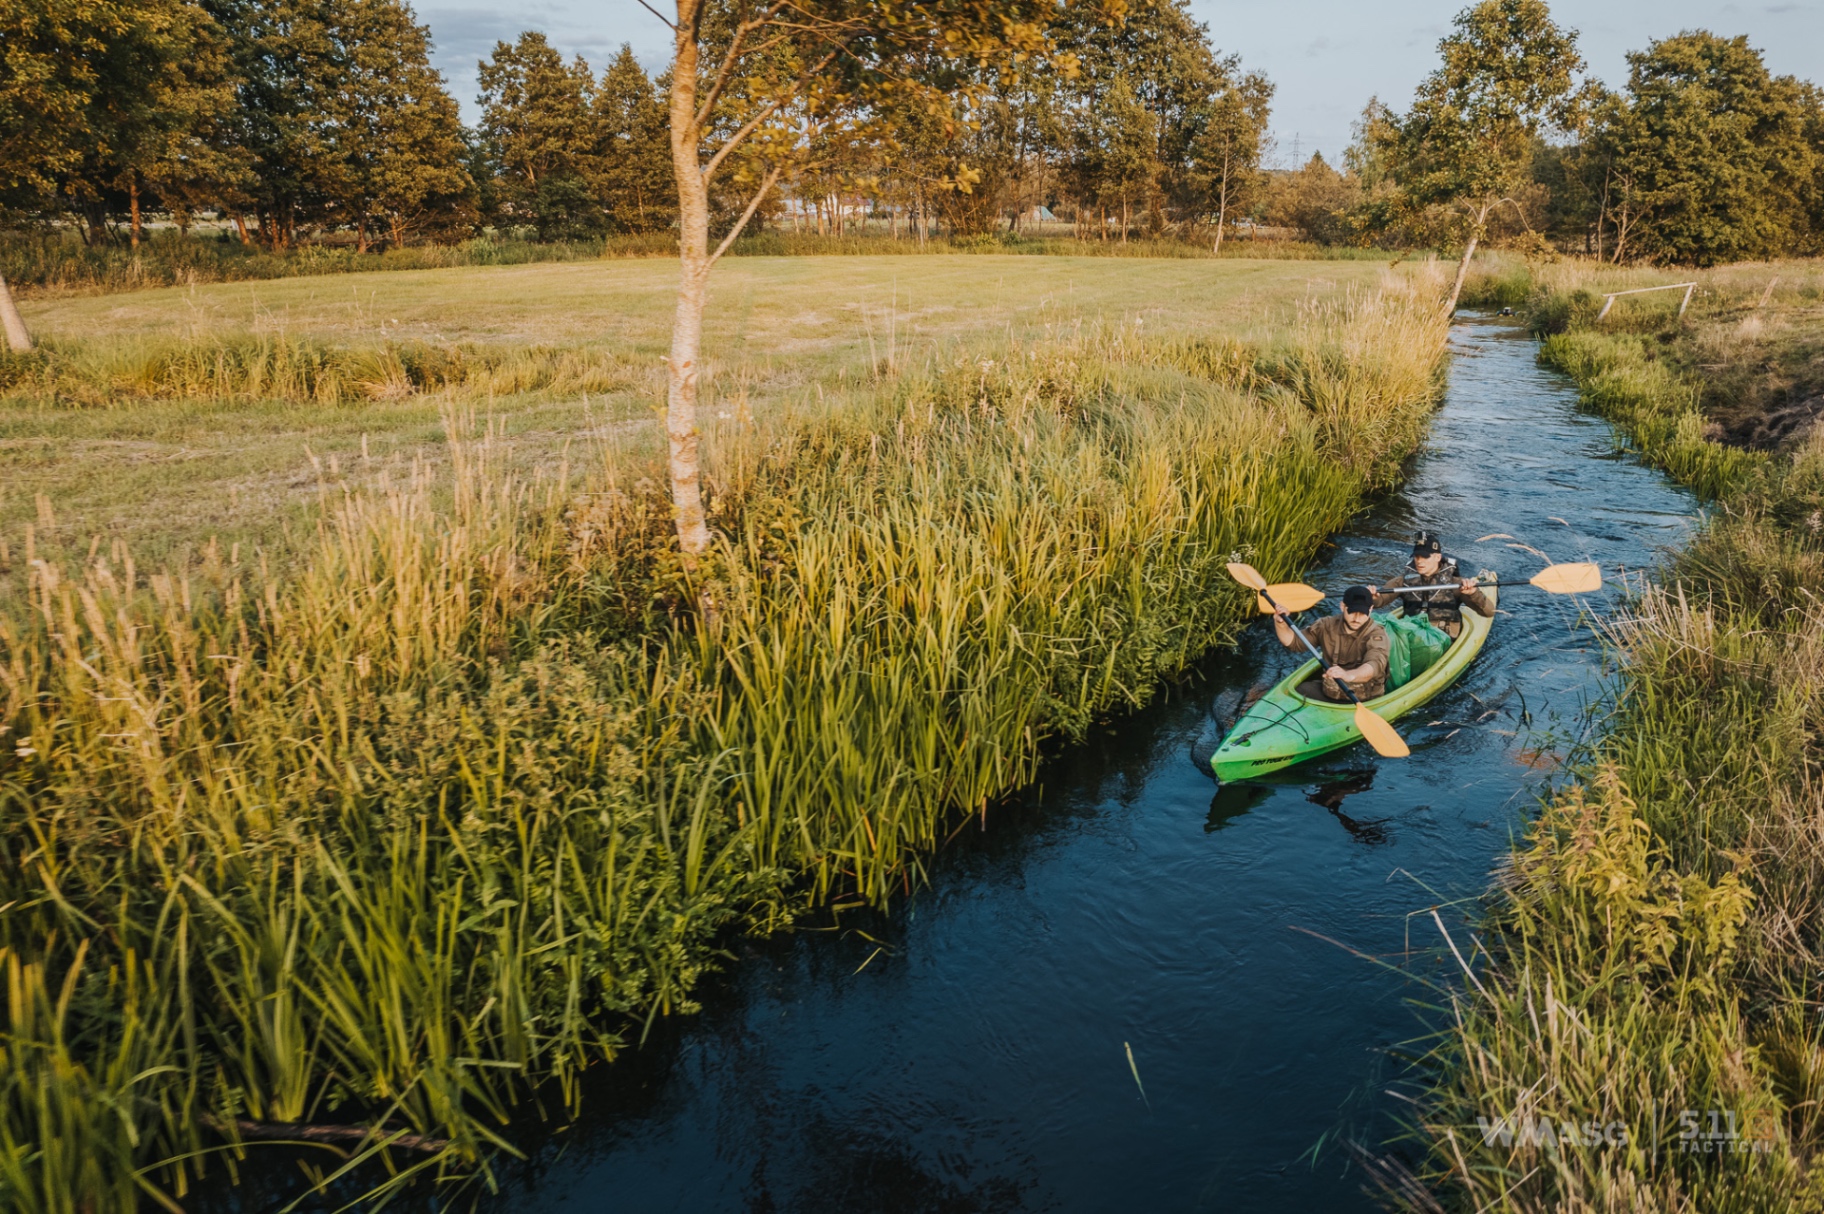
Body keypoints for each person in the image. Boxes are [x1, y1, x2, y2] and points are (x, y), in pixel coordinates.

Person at [1272, 584, 1389, 702]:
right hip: (1331, 692)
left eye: (1363, 613)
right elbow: (1294, 643)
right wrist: (1280, 623)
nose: (1357, 619)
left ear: (1370, 609)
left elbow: (1374, 665)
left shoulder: (1377, 634)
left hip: (1364, 698)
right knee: (1299, 690)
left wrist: (1348, 675)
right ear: (1343, 606)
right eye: (1352, 612)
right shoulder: (1326, 625)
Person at [1374, 530, 1493, 640]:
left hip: (1443, 638)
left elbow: (1489, 612)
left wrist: (1474, 594)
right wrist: (1373, 597)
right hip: (1411, 632)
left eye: (1425, 557)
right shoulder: (1403, 581)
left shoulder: (1455, 584)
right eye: (1417, 556)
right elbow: (1380, 600)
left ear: (1438, 557)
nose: (1419, 561)